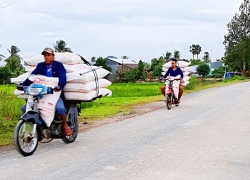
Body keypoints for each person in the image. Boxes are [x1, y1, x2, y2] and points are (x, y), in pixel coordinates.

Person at [21, 47, 72, 136]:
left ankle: (65, 125)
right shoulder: (40, 65)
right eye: (45, 55)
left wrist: (59, 86)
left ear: (53, 56)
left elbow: (63, 77)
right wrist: (23, 85)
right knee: (24, 108)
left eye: (48, 55)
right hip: (41, 93)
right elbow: (32, 76)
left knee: (60, 108)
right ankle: (39, 126)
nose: (46, 57)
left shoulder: (58, 65)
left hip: (54, 93)